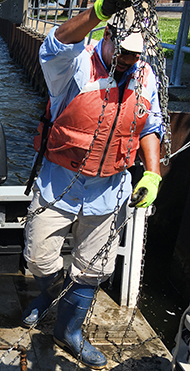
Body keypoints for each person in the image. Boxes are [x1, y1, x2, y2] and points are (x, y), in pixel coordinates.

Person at [21, 0, 163, 369]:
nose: (131, 59)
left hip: (108, 192)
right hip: (58, 183)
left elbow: (150, 127)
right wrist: (98, 10)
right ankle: (50, 295)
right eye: (125, 51)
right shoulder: (75, 64)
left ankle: (67, 331)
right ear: (108, 36)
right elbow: (54, 43)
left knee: (92, 271)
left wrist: (152, 173)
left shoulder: (146, 76)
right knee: (38, 257)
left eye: (137, 53)